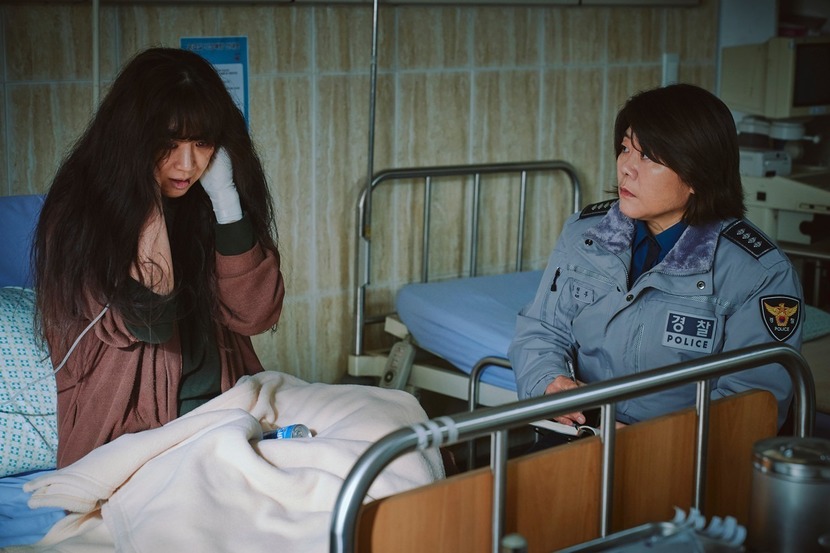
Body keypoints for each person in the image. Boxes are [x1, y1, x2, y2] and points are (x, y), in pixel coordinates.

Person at [33, 47, 286, 467]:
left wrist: (226, 200)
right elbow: (151, 321)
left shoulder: (210, 196)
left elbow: (255, 314)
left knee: (371, 427)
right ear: (134, 140)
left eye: (202, 143)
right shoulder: (79, 213)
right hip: (134, 434)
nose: (187, 164)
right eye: (169, 143)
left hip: (228, 409)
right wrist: (143, 192)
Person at [508, 83, 803, 434]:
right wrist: (549, 381)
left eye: (647, 156)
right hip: (581, 437)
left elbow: (748, 406)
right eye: (625, 149)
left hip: (684, 458)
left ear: (697, 174)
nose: (626, 168)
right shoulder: (584, 235)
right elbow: (541, 330)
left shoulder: (759, 273)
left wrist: (645, 444)